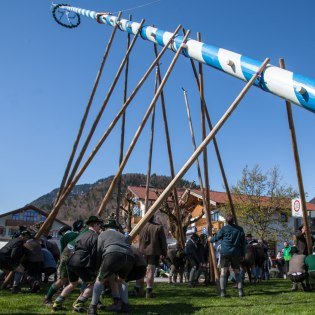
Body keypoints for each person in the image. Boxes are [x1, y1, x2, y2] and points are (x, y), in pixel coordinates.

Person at [52, 216, 102, 312]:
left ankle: (57, 303)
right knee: (93, 284)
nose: (100, 226)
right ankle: (79, 303)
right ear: (94, 224)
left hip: (71, 261)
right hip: (82, 262)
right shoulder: (96, 237)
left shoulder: (80, 235)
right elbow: (95, 254)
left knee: (72, 283)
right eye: (99, 224)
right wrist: (96, 268)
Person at [87, 219, 135, 314]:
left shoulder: (103, 234)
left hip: (112, 254)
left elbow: (99, 252)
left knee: (100, 280)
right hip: (129, 257)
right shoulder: (122, 235)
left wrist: (97, 268)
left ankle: (93, 307)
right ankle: (125, 306)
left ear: (106, 228)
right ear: (115, 228)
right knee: (121, 280)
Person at [44, 222, 82, 305]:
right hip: (76, 258)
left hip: (66, 258)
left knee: (62, 279)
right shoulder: (77, 234)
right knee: (74, 280)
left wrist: (60, 261)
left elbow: (62, 251)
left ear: (62, 232)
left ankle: (48, 297)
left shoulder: (63, 238)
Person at [209, 214, 246, 298]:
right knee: (237, 271)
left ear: (226, 221)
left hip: (225, 252)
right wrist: (243, 254)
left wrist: (210, 239)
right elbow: (243, 244)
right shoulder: (240, 229)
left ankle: (222, 292)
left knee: (223, 272)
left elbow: (216, 238)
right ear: (233, 220)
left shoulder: (224, 229)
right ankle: (240, 292)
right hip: (236, 253)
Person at [139, 215, 167, 298]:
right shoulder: (158, 227)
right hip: (153, 251)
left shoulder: (141, 227)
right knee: (151, 270)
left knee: (141, 270)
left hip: (142, 251)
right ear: (153, 218)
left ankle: (138, 289)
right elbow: (163, 242)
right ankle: (149, 291)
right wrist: (164, 253)